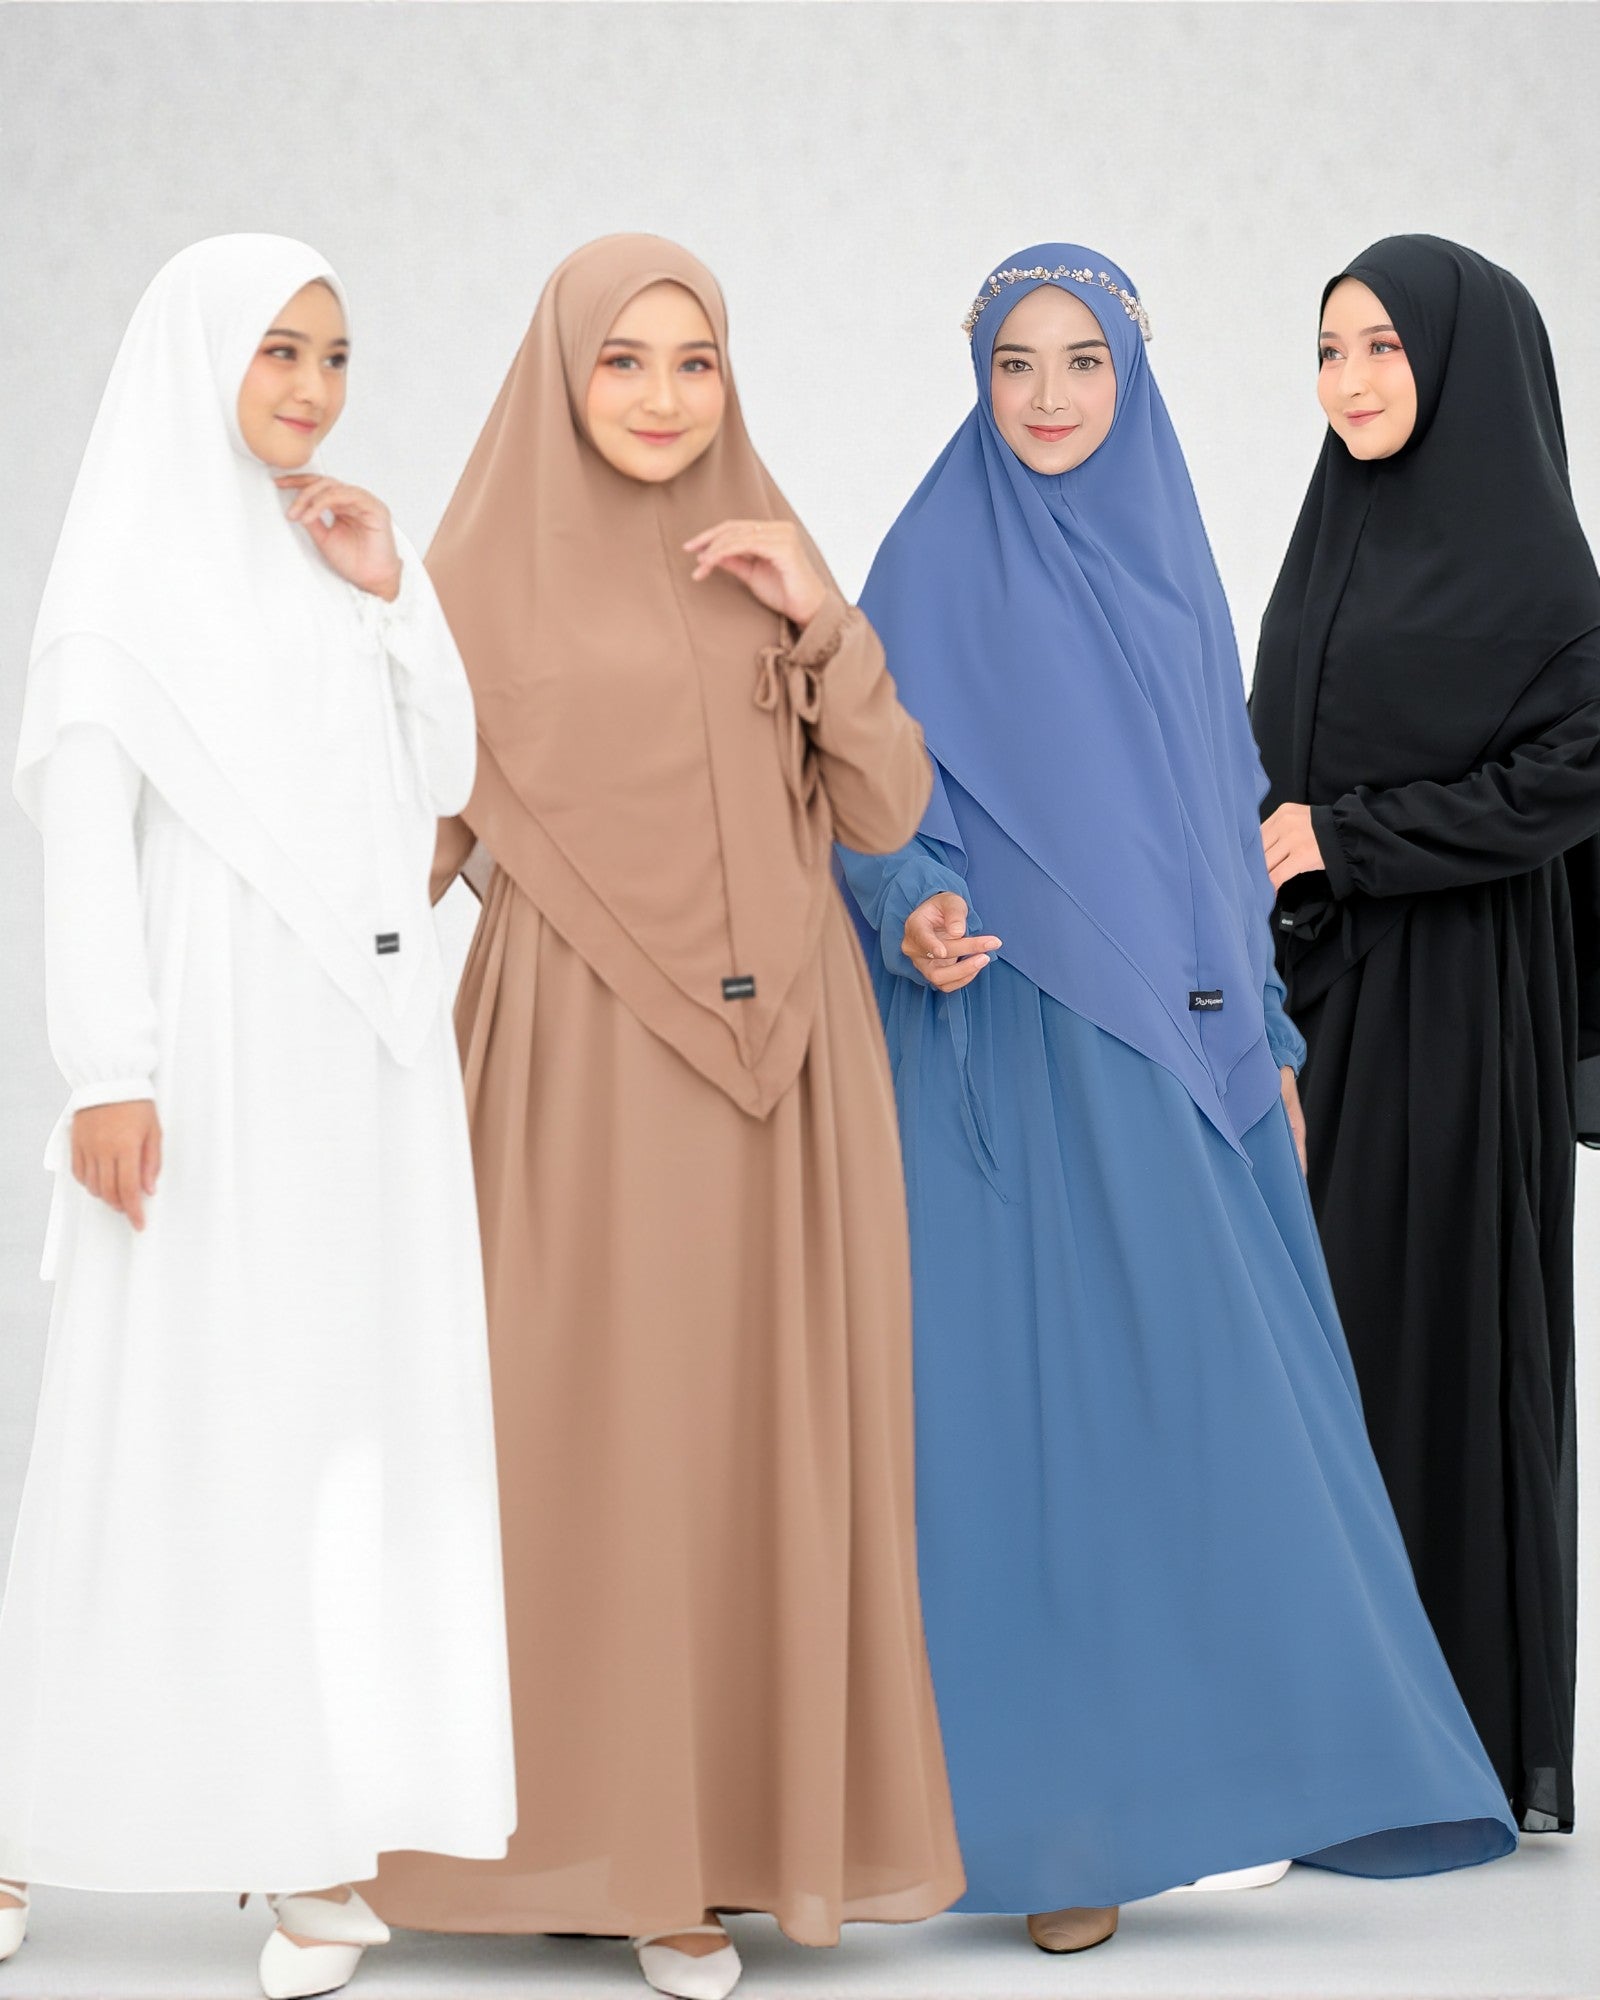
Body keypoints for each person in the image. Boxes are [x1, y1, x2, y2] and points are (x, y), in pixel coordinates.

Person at [838, 242, 1518, 1957]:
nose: (1049, 396)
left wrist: (1267, 1035)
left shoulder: (1172, 564)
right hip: (1001, 1028)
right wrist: (908, 901)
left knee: (1201, 1412)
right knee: (1020, 1424)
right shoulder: (925, 561)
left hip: (1177, 1039)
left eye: (1084, 361)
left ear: (1130, 376)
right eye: (1016, 363)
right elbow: (860, 786)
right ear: (977, 376)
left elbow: (1222, 802)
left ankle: (1210, 1780)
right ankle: (1049, 1824)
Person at [368, 235, 962, 2000]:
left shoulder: (766, 557)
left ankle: (705, 1856)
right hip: (578, 1061)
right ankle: (583, 1842)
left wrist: (822, 616)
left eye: (695, 362)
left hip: (789, 1076)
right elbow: (406, 850)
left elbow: (886, 808)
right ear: (559, 377)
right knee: (585, 1441)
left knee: (749, 1440)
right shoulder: (461, 587)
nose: (662, 397)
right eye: (622, 361)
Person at [0, 235, 513, 2000]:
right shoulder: (119, 583)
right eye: (278, 350)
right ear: (197, 358)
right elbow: (82, 838)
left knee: (331, 1435)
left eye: (336, 354)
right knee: (151, 1422)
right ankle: (24, 1818)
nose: (311, 387)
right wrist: (109, 1072)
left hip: (355, 1064)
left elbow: (445, 786)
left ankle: (307, 1838)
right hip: (200, 1061)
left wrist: (396, 592)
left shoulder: (330, 558)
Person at [1252, 234, 1600, 1834]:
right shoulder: (1329, 543)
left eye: (1384, 346)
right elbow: (1270, 759)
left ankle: (1442, 1742)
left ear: (1465, 366)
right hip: (1324, 999)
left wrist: (1352, 838)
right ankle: (1314, 1723)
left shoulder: (1548, 587)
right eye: (1330, 349)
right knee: (1318, 1345)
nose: (1350, 380)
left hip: (1463, 1006)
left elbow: (1566, 782)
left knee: (1431, 1338)